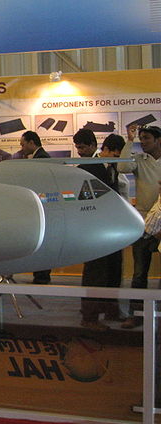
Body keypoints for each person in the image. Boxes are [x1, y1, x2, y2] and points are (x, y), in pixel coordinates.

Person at [73, 129, 124, 330]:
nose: (80, 152)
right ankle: (90, 317)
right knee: (96, 272)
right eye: (78, 147)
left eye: (82, 147)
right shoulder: (85, 169)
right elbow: (84, 202)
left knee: (113, 270)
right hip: (95, 230)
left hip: (113, 228)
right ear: (105, 149)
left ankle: (111, 310)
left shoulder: (111, 167)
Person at [118, 124, 161, 328]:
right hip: (143, 223)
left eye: (146, 138)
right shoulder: (139, 159)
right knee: (139, 273)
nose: (142, 142)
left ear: (158, 140)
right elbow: (122, 168)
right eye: (141, 138)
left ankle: (158, 316)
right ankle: (136, 315)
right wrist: (129, 140)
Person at [20, 131, 51, 283]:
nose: (22, 148)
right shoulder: (39, 157)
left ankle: (42, 276)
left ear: (32, 143)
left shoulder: (42, 159)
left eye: (23, 144)